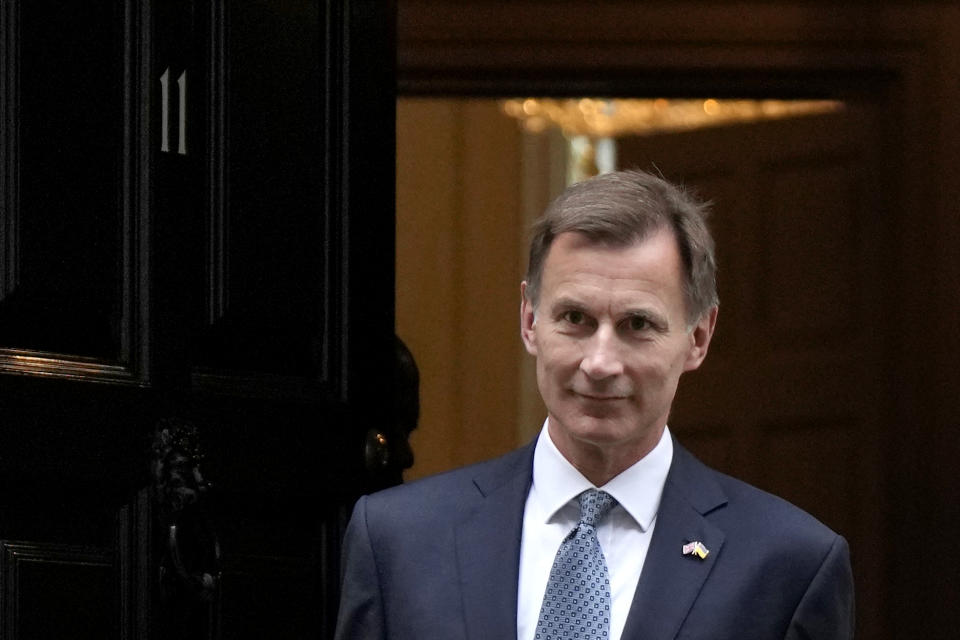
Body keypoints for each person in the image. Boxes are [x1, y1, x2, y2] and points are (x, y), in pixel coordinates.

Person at [335, 169, 854, 640]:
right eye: (575, 319)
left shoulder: (789, 563)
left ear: (699, 336)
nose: (600, 362)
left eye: (638, 324)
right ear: (530, 321)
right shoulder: (399, 539)